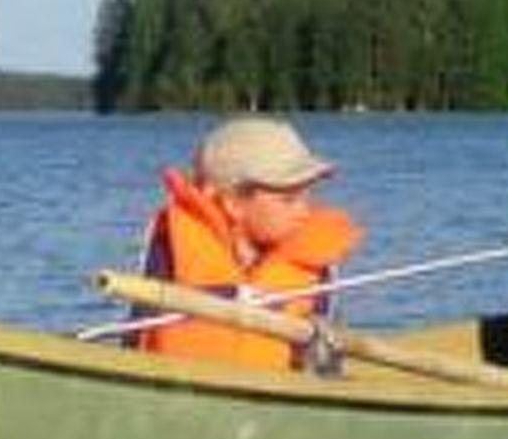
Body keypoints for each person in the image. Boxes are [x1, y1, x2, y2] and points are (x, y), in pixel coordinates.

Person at [136, 115, 361, 371]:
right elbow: (137, 336)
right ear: (233, 204)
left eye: (308, 196)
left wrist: (322, 347)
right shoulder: (173, 244)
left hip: (274, 397)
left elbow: (327, 367)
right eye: (288, 200)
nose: (305, 212)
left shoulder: (315, 260)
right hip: (182, 390)